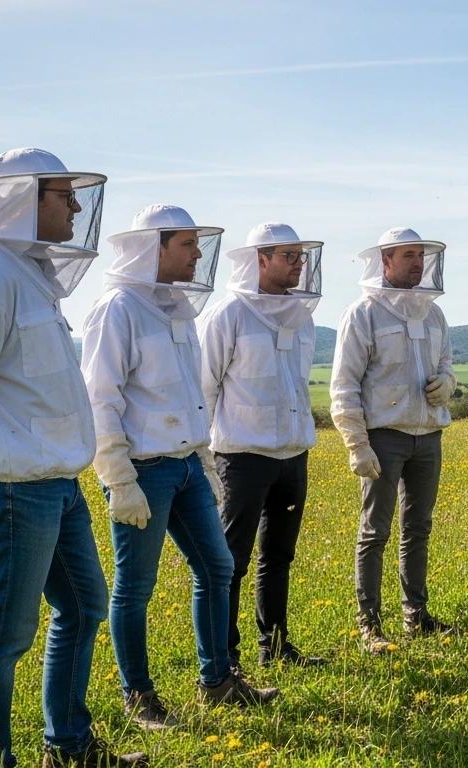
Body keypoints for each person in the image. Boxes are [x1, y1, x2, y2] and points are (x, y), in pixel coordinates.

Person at [0, 148, 144, 767]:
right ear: (22, 200)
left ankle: (68, 746)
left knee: (86, 606)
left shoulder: (24, 274)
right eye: (63, 196)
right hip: (11, 485)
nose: (74, 207)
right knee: (4, 637)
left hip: (53, 481)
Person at [81, 205, 278, 733]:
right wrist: (118, 477)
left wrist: (205, 460)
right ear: (156, 248)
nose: (197, 255)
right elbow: (101, 398)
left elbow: (193, 394)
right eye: (187, 244)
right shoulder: (116, 309)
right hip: (142, 470)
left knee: (217, 567)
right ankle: (138, 697)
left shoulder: (178, 310)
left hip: (188, 462)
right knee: (135, 586)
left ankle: (218, 681)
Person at [199, 223, 325, 668]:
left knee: (279, 555)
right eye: (288, 256)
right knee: (231, 559)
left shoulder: (301, 315)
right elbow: (204, 389)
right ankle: (224, 658)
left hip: (292, 453)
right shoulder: (228, 314)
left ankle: (275, 647)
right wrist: (204, 455)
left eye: (300, 256)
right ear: (260, 260)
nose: (298, 264)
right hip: (241, 456)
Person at [330, 227, 457, 654]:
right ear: (385, 261)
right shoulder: (363, 314)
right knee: (374, 532)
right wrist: (356, 443)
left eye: (421, 254)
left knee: (418, 528)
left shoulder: (434, 314)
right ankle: (369, 626)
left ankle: (415, 617)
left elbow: (446, 362)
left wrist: (447, 384)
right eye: (408, 255)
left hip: (428, 435)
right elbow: (344, 384)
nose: (418, 262)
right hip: (384, 437)